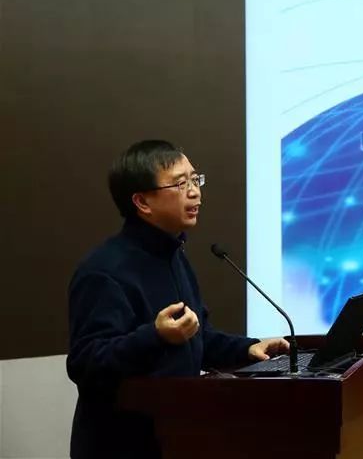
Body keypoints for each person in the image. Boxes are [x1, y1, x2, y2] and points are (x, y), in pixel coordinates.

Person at [66, 140, 289, 459]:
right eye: (181, 183)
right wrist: (155, 336)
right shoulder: (104, 270)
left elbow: (196, 337)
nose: (195, 192)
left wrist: (247, 349)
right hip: (122, 446)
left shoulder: (173, 255)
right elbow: (85, 364)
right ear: (142, 201)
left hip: (176, 438)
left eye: (195, 180)